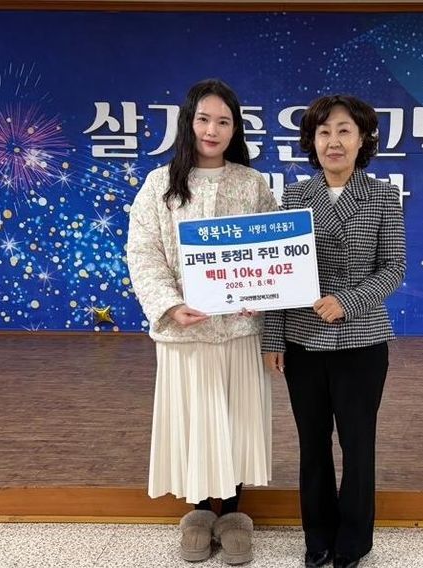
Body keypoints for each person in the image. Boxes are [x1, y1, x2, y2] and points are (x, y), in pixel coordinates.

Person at [127, 79, 277, 565]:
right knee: (193, 423)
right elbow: (143, 253)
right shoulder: (159, 184)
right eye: (204, 119)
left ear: (236, 129)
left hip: (238, 332)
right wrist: (170, 305)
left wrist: (262, 293)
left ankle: (232, 513)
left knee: (234, 422)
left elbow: (271, 252)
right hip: (185, 332)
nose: (212, 130)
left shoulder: (252, 184)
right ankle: (196, 512)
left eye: (223, 121)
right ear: (188, 122)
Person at [262, 95, 405, 568]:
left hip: (363, 341)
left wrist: (348, 300)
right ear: (312, 141)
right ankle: (317, 535)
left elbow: (394, 268)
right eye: (324, 132)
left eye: (344, 130)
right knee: (312, 443)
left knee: (358, 445)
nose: (333, 141)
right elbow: (278, 274)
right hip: (303, 341)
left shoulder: (383, 196)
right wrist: (273, 338)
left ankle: (353, 541)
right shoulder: (295, 197)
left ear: (363, 139)